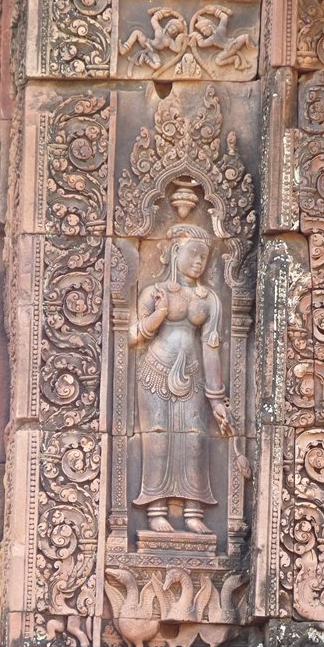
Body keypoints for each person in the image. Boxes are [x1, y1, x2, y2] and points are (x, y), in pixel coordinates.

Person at [130, 224, 234, 534]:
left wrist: (216, 399)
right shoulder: (155, 292)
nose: (199, 261)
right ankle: (156, 510)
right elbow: (133, 336)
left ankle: (193, 510)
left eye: (204, 256)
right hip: (155, 371)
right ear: (175, 252)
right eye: (193, 253)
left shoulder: (209, 299)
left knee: (195, 439)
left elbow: (212, 347)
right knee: (157, 438)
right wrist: (159, 313)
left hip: (193, 375)